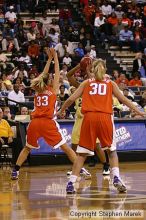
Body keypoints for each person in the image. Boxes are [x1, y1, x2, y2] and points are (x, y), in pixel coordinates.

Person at [59, 59, 146, 193]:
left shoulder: (86, 83)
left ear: (93, 70)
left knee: (81, 155)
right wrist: (139, 111)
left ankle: (71, 183)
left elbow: (70, 99)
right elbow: (124, 100)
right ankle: (116, 177)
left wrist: (61, 110)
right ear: (104, 69)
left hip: (88, 118)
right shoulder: (110, 83)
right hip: (105, 118)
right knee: (111, 152)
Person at [11, 48, 77, 180]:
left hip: (34, 123)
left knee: (27, 148)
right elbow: (57, 72)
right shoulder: (53, 90)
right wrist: (56, 58)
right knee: (66, 147)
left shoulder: (38, 89)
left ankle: (16, 170)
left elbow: (43, 75)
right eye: (52, 78)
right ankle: (79, 168)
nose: (53, 78)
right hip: (47, 122)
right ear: (50, 82)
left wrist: (49, 59)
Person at [66, 62, 110, 176]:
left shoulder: (95, 85)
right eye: (86, 75)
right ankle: (77, 168)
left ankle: (106, 165)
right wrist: (79, 66)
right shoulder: (80, 86)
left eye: (89, 74)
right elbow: (68, 76)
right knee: (75, 145)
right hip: (79, 120)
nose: (87, 76)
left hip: (90, 117)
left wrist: (88, 69)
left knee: (96, 145)